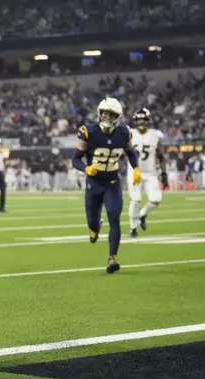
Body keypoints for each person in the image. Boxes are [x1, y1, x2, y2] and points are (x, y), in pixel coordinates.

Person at [71, 98, 141, 273]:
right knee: (92, 221)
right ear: (100, 113)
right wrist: (87, 169)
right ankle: (95, 228)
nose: (108, 117)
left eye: (112, 115)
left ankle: (112, 258)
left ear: (118, 117)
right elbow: (75, 159)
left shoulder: (124, 133)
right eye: (105, 113)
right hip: (94, 183)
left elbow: (131, 153)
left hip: (112, 182)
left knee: (114, 217)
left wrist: (137, 168)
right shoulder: (89, 131)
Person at [127, 108, 168, 237]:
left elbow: (161, 156)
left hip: (151, 172)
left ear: (148, 120)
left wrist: (164, 173)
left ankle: (142, 214)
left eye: (144, 119)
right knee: (135, 200)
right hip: (135, 172)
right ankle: (133, 228)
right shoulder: (129, 134)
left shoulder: (155, 135)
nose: (141, 122)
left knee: (156, 200)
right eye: (139, 119)